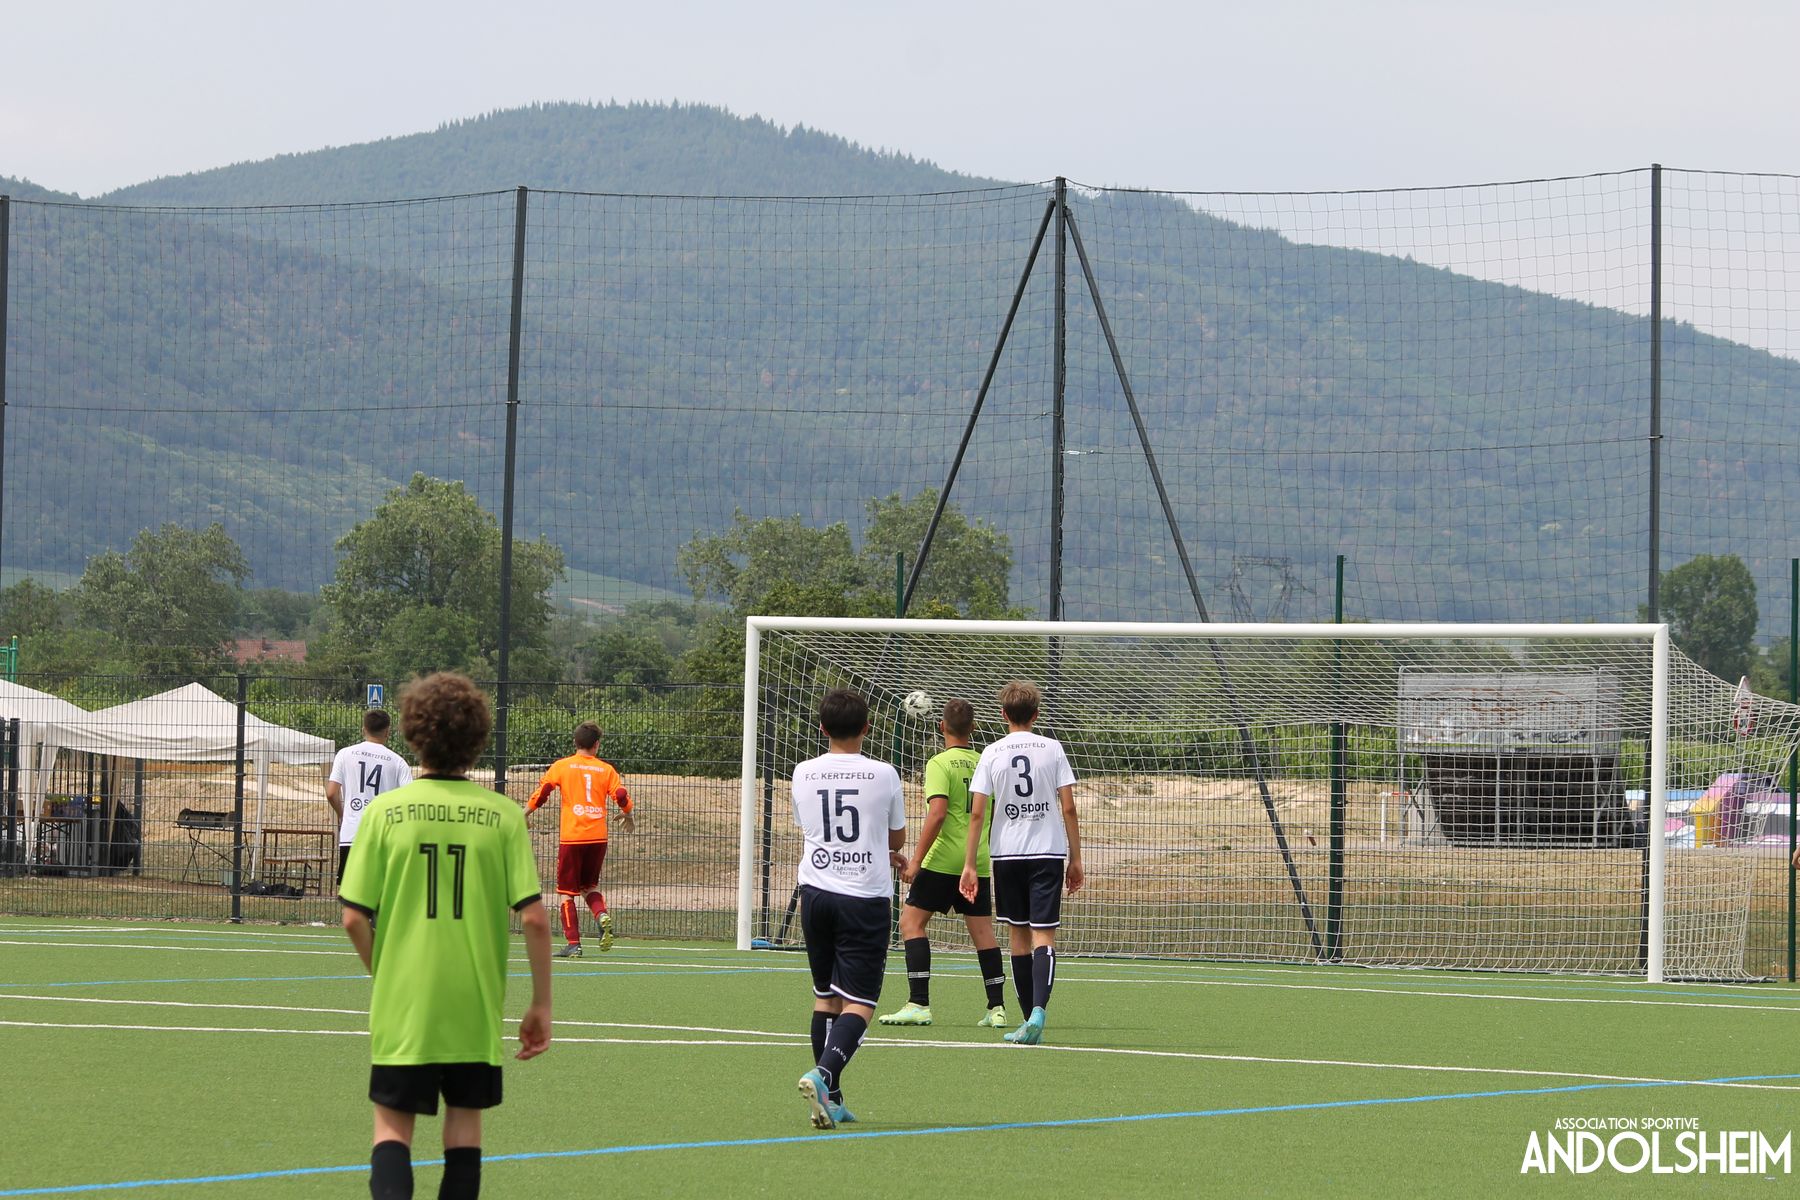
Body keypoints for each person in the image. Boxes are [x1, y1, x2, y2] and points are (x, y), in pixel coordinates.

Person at [339, 672, 552, 1200]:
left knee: (392, 1128)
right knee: (464, 1128)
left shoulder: (384, 813)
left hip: (404, 1001)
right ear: (478, 739)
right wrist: (540, 1004)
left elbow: (353, 917)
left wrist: (384, 972)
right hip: (473, 1003)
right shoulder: (503, 815)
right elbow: (534, 919)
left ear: (413, 734)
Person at [793, 687, 907, 1130]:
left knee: (826, 996)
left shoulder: (803, 772)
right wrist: (885, 850)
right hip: (864, 897)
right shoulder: (884, 773)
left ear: (822, 728)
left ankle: (834, 1098)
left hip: (816, 893)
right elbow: (895, 837)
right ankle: (823, 1075)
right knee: (860, 1003)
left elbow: (812, 827)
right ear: (867, 727)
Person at [960, 680, 1083, 1047]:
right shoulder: (1052, 748)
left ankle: (1027, 1017)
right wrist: (1076, 857)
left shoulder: (991, 752)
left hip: (1007, 854)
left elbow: (977, 813)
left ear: (1003, 715)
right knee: (1044, 935)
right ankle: (1039, 1013)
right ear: (1036, 714)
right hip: (1047, 851)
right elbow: (1068, 807)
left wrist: (970, 864)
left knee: (1018, 935)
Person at [878, 697, 1008, 1029]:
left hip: (942, 860)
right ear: (973, 728)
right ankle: (997, 1008)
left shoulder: (939, 763)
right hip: (976, 860)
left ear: (941, 726)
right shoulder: (985, 763)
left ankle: (919, 1003)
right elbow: (991, 812)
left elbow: (937, 814)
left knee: (911, 923)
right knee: (983, 932)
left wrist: (916, 861)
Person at [526, 722, 635, 958]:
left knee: (567, 892)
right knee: (590, 886)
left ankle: (574, 944)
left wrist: (525, 812)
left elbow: (543, 792)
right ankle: (601, 914)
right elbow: (620, 794)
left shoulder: (562, 766)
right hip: (597, 838)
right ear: (597, 745)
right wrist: (628, 812)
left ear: (575, 743)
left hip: (572, 838)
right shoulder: (606, 770)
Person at [327, 708, 413, 883]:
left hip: (352, 834)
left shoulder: (345, 754)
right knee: (381, 891)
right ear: (388, 732)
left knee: (350, 892)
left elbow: (331, 793)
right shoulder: (398, 762)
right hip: (383, 837)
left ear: (363, 729)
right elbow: (409, 801)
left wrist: (342, 814)